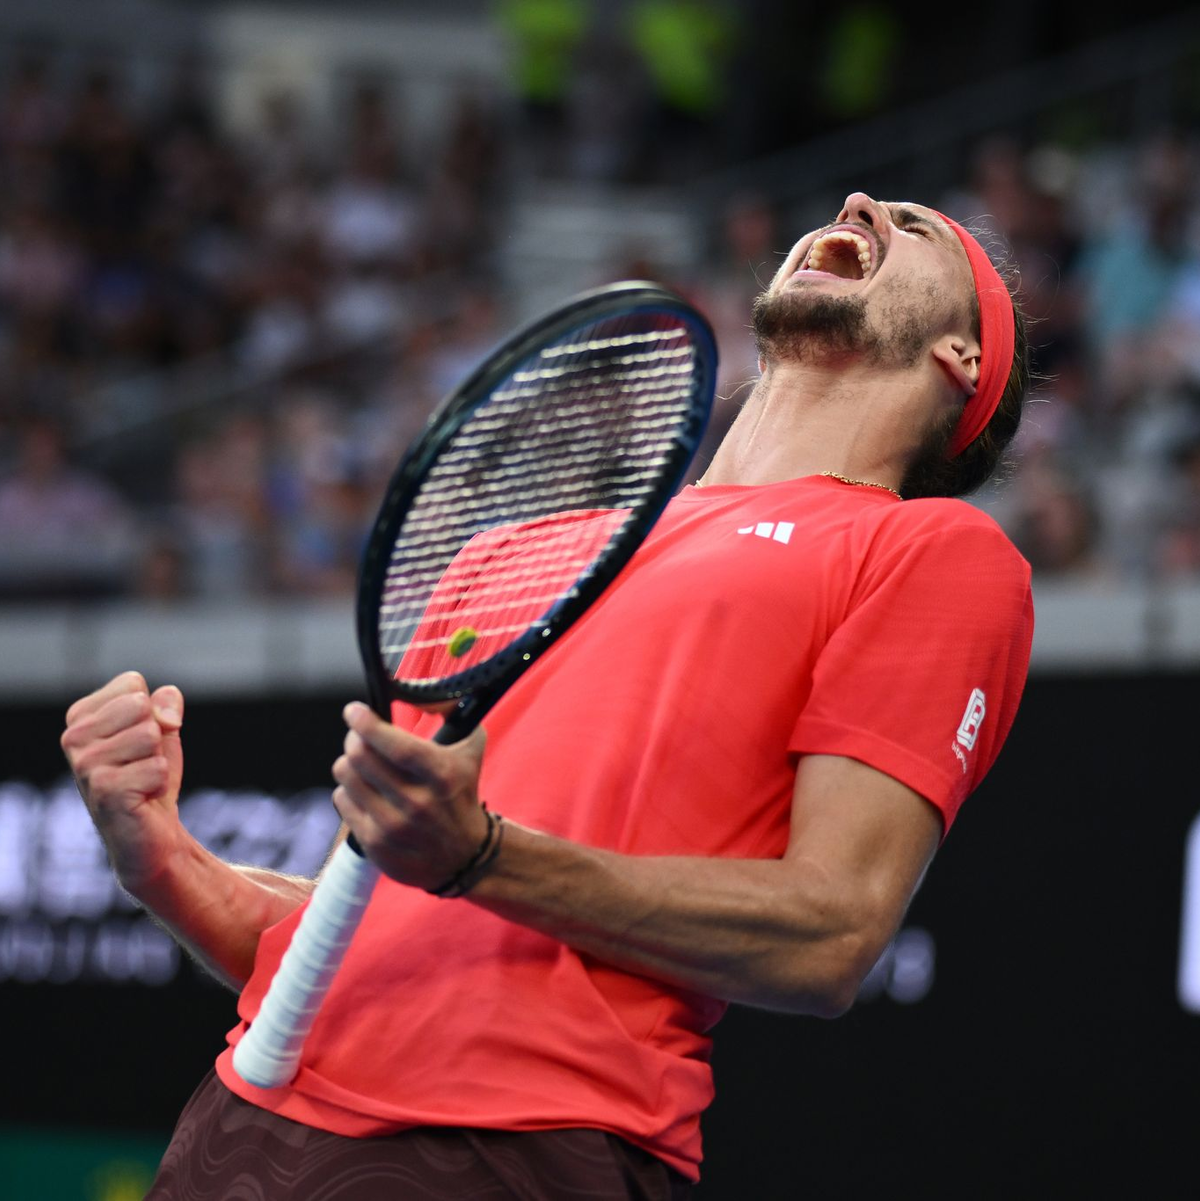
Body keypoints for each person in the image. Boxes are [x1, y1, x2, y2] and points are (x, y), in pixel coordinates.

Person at [61, 192, 1034, 1199]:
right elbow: (370, 917)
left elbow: (834, 930)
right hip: (241, 1123)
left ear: (963, 357)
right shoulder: (518, 557)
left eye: (915, 228)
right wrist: (161, 859)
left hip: (517, 1143)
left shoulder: (932, 552)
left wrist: (481, 855)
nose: (858, 203)